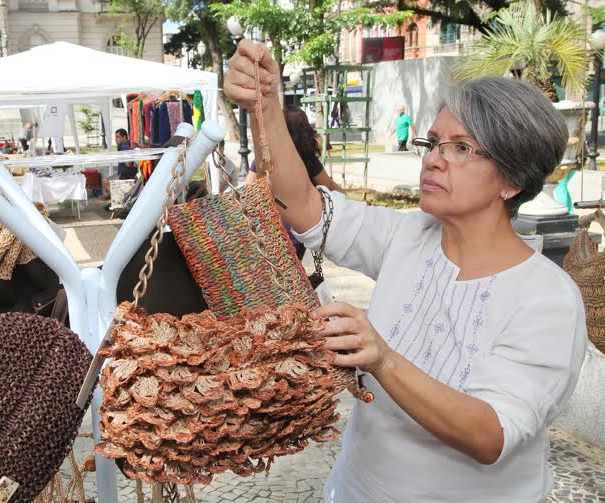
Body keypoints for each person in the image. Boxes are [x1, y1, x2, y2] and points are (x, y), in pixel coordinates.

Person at [225, 40, 587, 502]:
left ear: (512, 180)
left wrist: (383, 358)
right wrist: (266, 104)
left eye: (461, 148)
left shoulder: (546, 296)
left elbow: (491, 434)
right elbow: (304, 206)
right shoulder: (411, 235)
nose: (433, 159)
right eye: (433, 143)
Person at [246, 106, 344, 259]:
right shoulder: (308, 159)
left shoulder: (265, 158)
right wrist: (345, 197)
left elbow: (248, 187)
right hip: (298, 228)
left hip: (268, 225)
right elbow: (328, 185)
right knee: (293, 272)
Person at [102, 129, 138, 201]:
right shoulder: (124, 145)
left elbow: (128, 164)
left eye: (118, 137)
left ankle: (115, 198)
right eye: (115, 137)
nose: (116, 139)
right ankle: (112, 196)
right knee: (106, 182)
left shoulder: (125, 146)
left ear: (124, 137)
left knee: (106, 182)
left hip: (125, 174)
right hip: (123, 173)